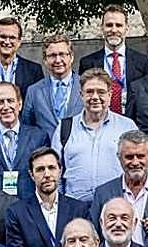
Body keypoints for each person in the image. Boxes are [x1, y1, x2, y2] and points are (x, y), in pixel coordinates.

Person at [53, 69, 139, 202]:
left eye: (101, 92)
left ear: (110, 94)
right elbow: (55, 171)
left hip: (115, 206)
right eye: (89, 92)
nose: (95, 97)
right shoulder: (65, 128)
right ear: (81, 95)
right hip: (75, 205)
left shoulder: (127, 127)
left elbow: (138, 167)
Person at [0, 81, 49, 197]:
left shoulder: (39, 137)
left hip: (29, 201)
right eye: (0, 102)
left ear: (20, 104)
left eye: (10, 101)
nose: (6, 107)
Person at [77, 5, 148, 113]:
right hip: (99, 119)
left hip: (134, 120)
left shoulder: (143, 62)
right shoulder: (87, 63)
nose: (114, 30)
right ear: (102, 28)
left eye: (119, 25)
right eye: (109, 25)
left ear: (126, 28)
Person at [22, 34, 83, 137]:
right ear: (45, 60)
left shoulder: (85, 86)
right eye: (52, 55)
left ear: (71, 57)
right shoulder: (34, 91)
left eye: (62, 54)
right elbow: (27, 127)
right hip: (45, 146)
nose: (58, 60)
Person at [0, 16, 44, 95]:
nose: (7, 42)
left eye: (12, 38)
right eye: (3, 37)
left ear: (19, 41)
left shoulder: (34, 71)